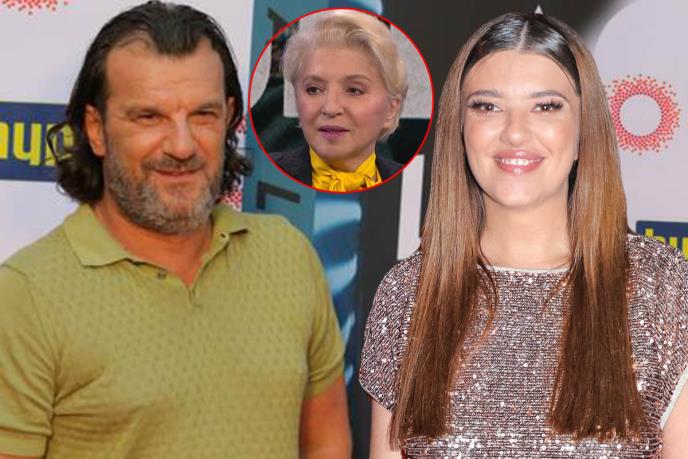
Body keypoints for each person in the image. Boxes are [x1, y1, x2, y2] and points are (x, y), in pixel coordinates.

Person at [0, 2, 351, 458]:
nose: (182, 146)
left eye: (202, 115)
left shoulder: (286, 255)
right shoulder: (26, 295)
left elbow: (326, 442)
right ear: (96, 129)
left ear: (228, 117)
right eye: (149, 117)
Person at [360, 12, 688, 458]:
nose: (515, 132)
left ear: (584, 128)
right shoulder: (409, 293)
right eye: (488, 106)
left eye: (546, 106)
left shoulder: (659, 285)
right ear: (460, 128)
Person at [270, 9, 408, 192]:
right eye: (314, 89)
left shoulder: (414, 186)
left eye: (354, 90)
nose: (330, 108)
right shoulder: (264, 173)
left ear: (391, 109)